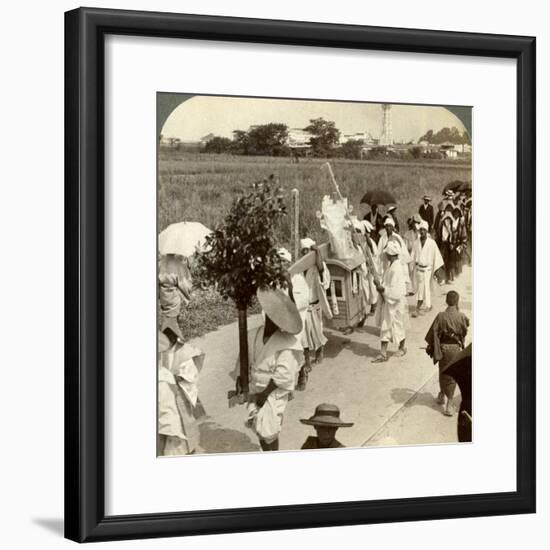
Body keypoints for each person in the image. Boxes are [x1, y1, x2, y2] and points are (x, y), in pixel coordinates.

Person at [242, 289, 304, 451]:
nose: (272, 321)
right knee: (258, 427)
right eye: (270, 316)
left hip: (273, 392)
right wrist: (241, 380)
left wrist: (264, 394)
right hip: (256, 386)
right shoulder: (255, 334)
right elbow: (245, 358)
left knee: (270, 431)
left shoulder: (287, 344)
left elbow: (283, 376)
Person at [424, 290, 470, 416]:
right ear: (457, 301)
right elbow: (464, 331)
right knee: (452, 376)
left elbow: (433, 332)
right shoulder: (461, 316)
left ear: (446, 301)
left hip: (443, 348)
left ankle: (441, 395)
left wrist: (435, 346)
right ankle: (449, 404)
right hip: (455, 349)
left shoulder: (440, 316)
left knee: (443, 372)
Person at [158, 331, 204, 455]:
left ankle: (188, 448)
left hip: (177, 393)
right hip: (164, 392)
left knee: (182, 424)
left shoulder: (184, 352)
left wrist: (175, 377)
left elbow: (191, 374)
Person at [372, 241, 408, 363]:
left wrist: (382, 288)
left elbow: (396, 291)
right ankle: (384, 352)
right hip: (390, 301)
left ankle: (400, 348)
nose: (386, 255)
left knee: (396, 326)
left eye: (387, 253)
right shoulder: (392, 266)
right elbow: (388, 285)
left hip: (396, 303)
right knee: (387, 326)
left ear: (391, 254)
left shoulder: (396, 269)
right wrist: (380, 284)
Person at [299, 238, 332, 366]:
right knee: (304, 335)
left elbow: (322, 272)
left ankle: (319, 352)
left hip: (315, 304)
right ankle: (306, 359)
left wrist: (317, 252)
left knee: (317, 332)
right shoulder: (301, 267)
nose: (305, 254)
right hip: (304, 306)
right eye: (304, 251)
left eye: (308, 251)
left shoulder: (318, 266)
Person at [411, 220, 444, 317]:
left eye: (424, 230)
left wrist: (436, 270)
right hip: (419, 269)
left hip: (428, 269)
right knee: (421, 288)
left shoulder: (432, 243)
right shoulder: (416, 242)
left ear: (427, 231)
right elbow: (412, 255)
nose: (422, 232)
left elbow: (436, 256)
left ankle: (419, 308)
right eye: (420, 230)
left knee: (426, 287)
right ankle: (427, 305)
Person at [158, 254, 192, 343]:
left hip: (164, 297)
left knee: (169, 321)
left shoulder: (160, 262)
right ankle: (185, 350)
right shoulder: (177, 264)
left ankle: (172, 343)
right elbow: (184, 284)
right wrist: (188, 295)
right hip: (173, 297)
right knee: (171, 323)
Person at [439, 205, 457, 284]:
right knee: (442, 260)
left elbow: (454, 235)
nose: (447, 220)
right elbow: (439, 236)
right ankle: (442, 278)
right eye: (446, 218)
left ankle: (448, 278)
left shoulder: (452, 227)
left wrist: (452, 243)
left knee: (449, 261)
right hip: (443, 244)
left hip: (449, 245)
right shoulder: (441, 226)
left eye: (449, 218)